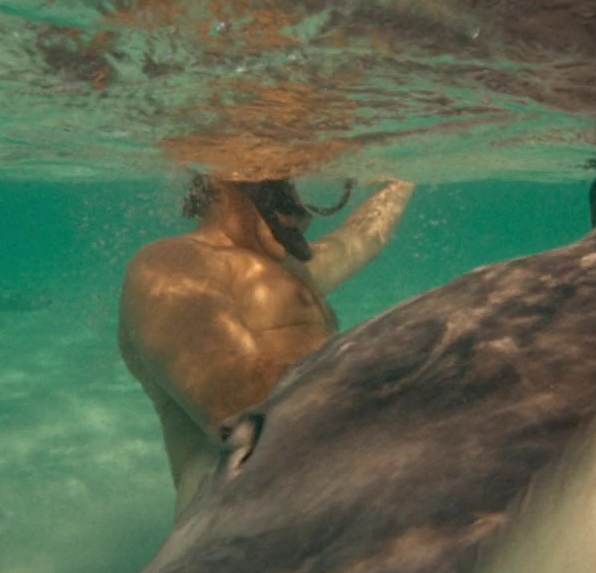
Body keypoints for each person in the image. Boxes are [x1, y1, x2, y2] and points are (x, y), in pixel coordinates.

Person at [119, 175, 414, 514]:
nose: (304, 216)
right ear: (219, 183)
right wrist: (410, 370)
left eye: (302, 191)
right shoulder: (173, 262)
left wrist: (399, 183)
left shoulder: (284, 268)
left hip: (322, 514)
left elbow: (361, 239)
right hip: (238, 533)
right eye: (282, 192)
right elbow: (233, 401)